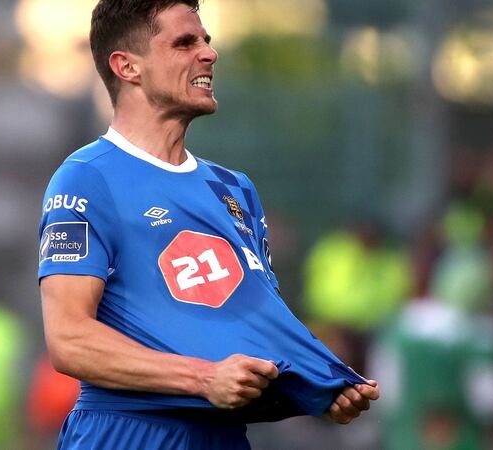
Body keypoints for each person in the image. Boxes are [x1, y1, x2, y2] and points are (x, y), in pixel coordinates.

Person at [38, 1, 380, 448]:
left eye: (206, 41)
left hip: (221, 436)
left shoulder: (234, 190)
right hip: (125, 432)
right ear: (127, 67)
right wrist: (203, 378)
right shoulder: (87, 177)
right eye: (184, 43)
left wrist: (318, 380)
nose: (208, 54)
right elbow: (69, 339)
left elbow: (249, 322)